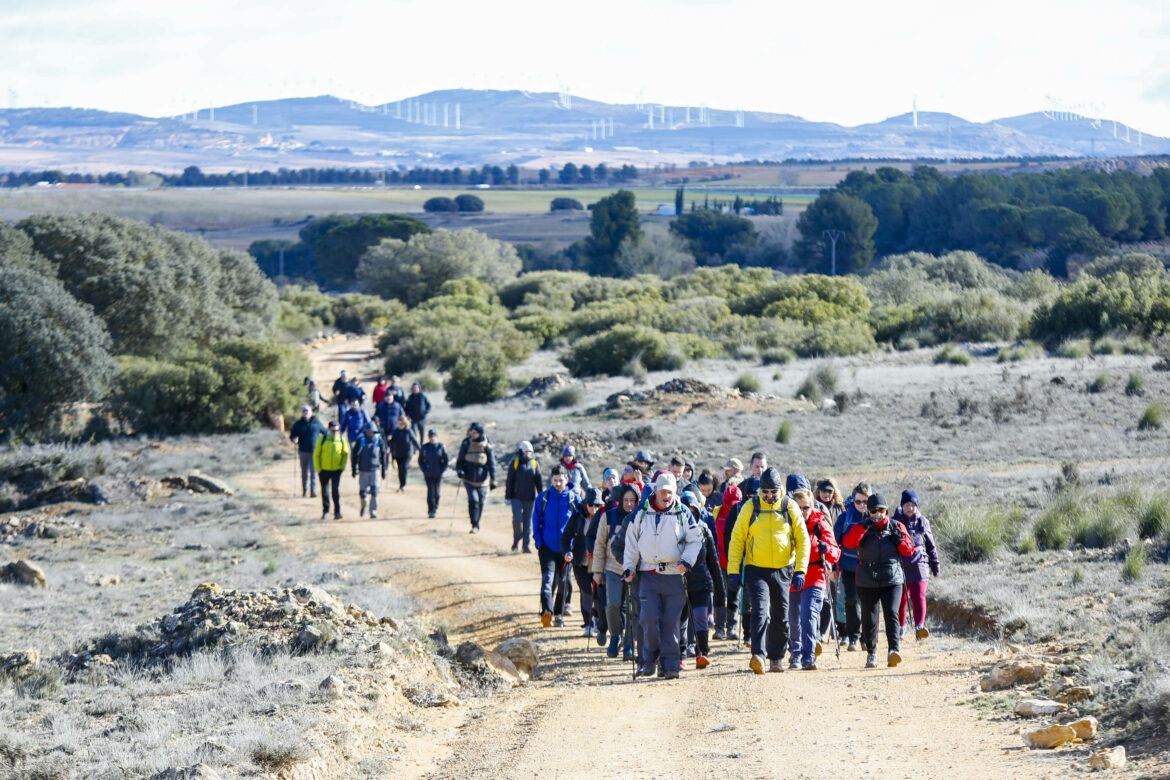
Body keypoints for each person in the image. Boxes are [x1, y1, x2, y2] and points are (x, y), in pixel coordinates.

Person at [726, 467, 810, 674]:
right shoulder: (750, 507)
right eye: (765, 492)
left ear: (779, 489)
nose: (769, 496)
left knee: (781, 615)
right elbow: (737, 539)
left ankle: (776, 658)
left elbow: (803, 539)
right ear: (760, 491)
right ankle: (759, 655)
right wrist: (733, 571)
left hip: (783, 568)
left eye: (773, 491)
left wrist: (800, 570)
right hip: (756, 568)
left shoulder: (789, 506)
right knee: (759, 611)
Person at [622, 472, 701, 680]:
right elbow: (631, 542)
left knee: (671, 623)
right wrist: (629, 567)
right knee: (648, 619)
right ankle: (649, 660)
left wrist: (687, 561)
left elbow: (695, 539)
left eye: (670, 492)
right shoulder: (641, 513)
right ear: (655, 490)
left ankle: (671, 665)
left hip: (674, 574)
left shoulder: (682, 512)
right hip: (648, 574)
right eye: (663, 491)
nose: (667, 496)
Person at [843, 493, 915, 668]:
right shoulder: (861, 527)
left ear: (886, 510)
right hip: (867, 579)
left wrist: (899, 540)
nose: (878, 514)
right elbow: (848, 543)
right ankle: (872, 653)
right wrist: (862, 528)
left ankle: (894, 651)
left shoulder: (896, 526)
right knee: (870, 617)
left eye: (881, 510)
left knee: (891, 613)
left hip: (892, 579)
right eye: (874, 511)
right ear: (868, 512)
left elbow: (909, 551)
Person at [787, 481, 841, 670]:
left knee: (808, 613)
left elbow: (835, 551)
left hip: (816, 574)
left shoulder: (820, 523)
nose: (803, 512)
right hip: (792, 574)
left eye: (806, 507)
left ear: (812, 505)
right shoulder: (787, 524)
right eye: (799, 508)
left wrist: (828, 550)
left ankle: (808, 656)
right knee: (793, 617)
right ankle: (795, 652)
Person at [592, 484, 639, 659]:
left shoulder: (640, 518)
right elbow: (599, 544)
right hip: (612, 568)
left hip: (634, 570)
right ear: (619, 501)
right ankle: (615, 636)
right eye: (626, 500)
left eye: (632, 501)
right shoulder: (608, 517)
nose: (628, 504)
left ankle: (628, 644)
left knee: (632, 608)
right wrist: (597, 570)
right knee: (612, 605)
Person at [680, 492, 726, 669]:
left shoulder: (705, 530)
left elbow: (713, 562)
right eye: (687, 512)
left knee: (700, 617)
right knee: (681, 621)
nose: (691, 516)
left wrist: (720, 593)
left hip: (702, 582)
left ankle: (702, 653)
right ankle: (681, 655)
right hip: (680, 583)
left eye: (694, 511)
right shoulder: (674, 532)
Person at [534, 465, 578, 627]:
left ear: (567, 480)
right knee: (547, 579)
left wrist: (575, 545)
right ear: (551, 480)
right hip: (546, 547)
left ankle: (559, 614)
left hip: (566, 549)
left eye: (561, 480)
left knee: (563, 582)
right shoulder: (543, 498)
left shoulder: (574, 499)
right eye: (555, 480)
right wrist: (538, 541)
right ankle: (547, 612)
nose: (558, 483)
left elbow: (580, 523)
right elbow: (535, 520)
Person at [893, 489, 940, 641]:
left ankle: (919, 627)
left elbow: (931, 545)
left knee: (919, 596)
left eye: (913, 505)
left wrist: (935, 565)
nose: (910, 508)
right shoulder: (894, 521)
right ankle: (901, 627)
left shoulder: (923, 521)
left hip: (920, 563)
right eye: (907, 504)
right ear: (902, 505)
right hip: (900, 564)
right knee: (901, 599)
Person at [561, 487, 606, 637]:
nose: (594, 508)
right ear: (586, 504)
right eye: (591, 505)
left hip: (598, 561)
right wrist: (567, 552)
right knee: (586, 592)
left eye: (597, 505)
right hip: (580, 561)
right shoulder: (577, 516)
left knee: (599, 594)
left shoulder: (604, 517)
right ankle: (588, 624)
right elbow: (565, 537)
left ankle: (599, 622)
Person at [834, 481, 872, 651]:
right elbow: (835, 543)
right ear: (853, 500)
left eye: (866, 502)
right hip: (849, 566)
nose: (862, 506)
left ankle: (867, 637)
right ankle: (853, 637)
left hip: (870, 567)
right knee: (851, 600)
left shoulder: (875, 517)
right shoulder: (844, 518)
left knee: (869, 603)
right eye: (858, 502)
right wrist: (834, 567)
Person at [713, 483, 743, 641]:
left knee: (734, 595)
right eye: (728, 504)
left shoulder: (742, 512)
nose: (731, 508)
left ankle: (732, 627)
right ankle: (719, 628)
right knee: (719, 595)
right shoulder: (716, 513)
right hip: (719, 561)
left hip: (735, 561)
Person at [455, 422, 497, 533]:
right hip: (468, 479)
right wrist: (459, 471)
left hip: (483, 480)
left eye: (474, 433)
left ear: (480, 433)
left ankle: (477, 521)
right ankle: (474, 524)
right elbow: (459, 461)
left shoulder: (487, 445)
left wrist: (494, 480)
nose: (472, 434)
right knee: (473, 501)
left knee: (481, 503)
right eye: (471, 432)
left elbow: (492, 463)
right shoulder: (466, 443)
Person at [505, 441, 542, 552]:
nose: (528, 454)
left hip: (530, 499)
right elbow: (509, 481)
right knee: (517, 519)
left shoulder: (535, 464)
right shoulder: (515, 463)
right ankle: (517, 539)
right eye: (526, 452)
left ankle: (525, 545)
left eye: (530, 452)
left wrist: (541, 497)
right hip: (516, 497)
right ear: (521, 451)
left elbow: (538, 482)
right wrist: (508, 497)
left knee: (528, 522)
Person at [352, 421, 388, 519]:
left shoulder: (378, 440)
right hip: (363, 470)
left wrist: (384, 470)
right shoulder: (361, 440)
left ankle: (373, 511)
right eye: (368, 431)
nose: (369, 433)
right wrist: (353, 469)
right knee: (362, 492)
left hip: (375, 469)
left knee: (375, 491)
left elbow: (383, 456)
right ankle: (364, 504)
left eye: (371, 431)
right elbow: (354, 455)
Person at [289, 405, 327, 498]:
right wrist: (294, 439)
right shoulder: (298, 424)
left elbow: (325, 433)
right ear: (302, 413)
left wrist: (322, 444)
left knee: (313, 472)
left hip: (314, 452)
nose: (305, 413)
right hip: (303, 451)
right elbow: (292, 435)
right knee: (304, 472)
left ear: (311, 412)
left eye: (307, 411)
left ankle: (313, 491)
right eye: (304, 411)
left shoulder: (317, 423)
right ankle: (305, 491)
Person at [313, 420, 348, 521]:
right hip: (323, 470)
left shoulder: (341, 439)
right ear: (329, 429)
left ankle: (337, 512)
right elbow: (316, 455)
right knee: (325, 491)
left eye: (337, 430)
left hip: (336, 470)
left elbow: (345, 454)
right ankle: (326, 511)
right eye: (333, 430)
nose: (335, 432)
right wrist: (318, 468)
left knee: (335, 491)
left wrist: (342, 467)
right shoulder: (322, 439)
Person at [418, 429, 449, 518]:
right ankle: (431, 510)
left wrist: (442, 470)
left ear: (437, 437)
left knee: (437, 493)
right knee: (430, 492)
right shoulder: (425, 447)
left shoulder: (441, 447)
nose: (432, 438)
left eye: (434, 436)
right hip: (428, 474)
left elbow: (446, 460)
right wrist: (424, 469)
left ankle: (436, 507)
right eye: (431, 436)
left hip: (438, 473)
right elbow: (420, 460)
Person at [388, 416, 421, 492]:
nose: (399, 425)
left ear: (404, 423)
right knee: (400, 469)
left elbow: (414, 441)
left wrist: (420, 449)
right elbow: (392, 442)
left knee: (404, 467)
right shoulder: (395, 431)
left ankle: (403, 485)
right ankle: (401, 484)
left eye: (401, 423)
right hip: (398, 454)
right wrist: (389, 440)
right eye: (398, 423)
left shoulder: (408, 431)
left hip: (407, 453)